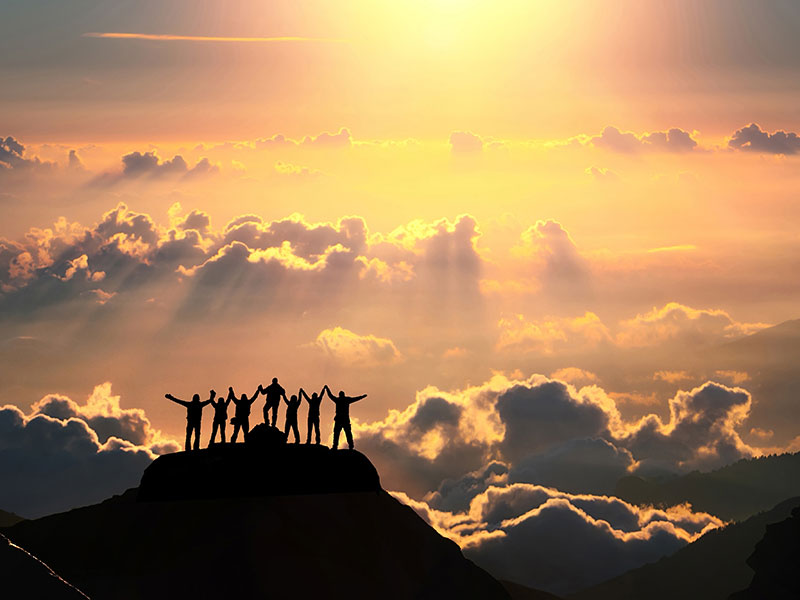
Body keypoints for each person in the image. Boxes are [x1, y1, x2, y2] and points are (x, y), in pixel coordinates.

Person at [323, 384, 367, 450]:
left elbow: (330, 396)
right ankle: (347, 446)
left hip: (342, 419)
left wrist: (327, 389)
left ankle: (341, 446)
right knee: (341, 433)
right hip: (342, 419)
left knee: (342, 433)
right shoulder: (345, 400)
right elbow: (331, 396)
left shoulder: (340, 400)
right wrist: (362, 396)